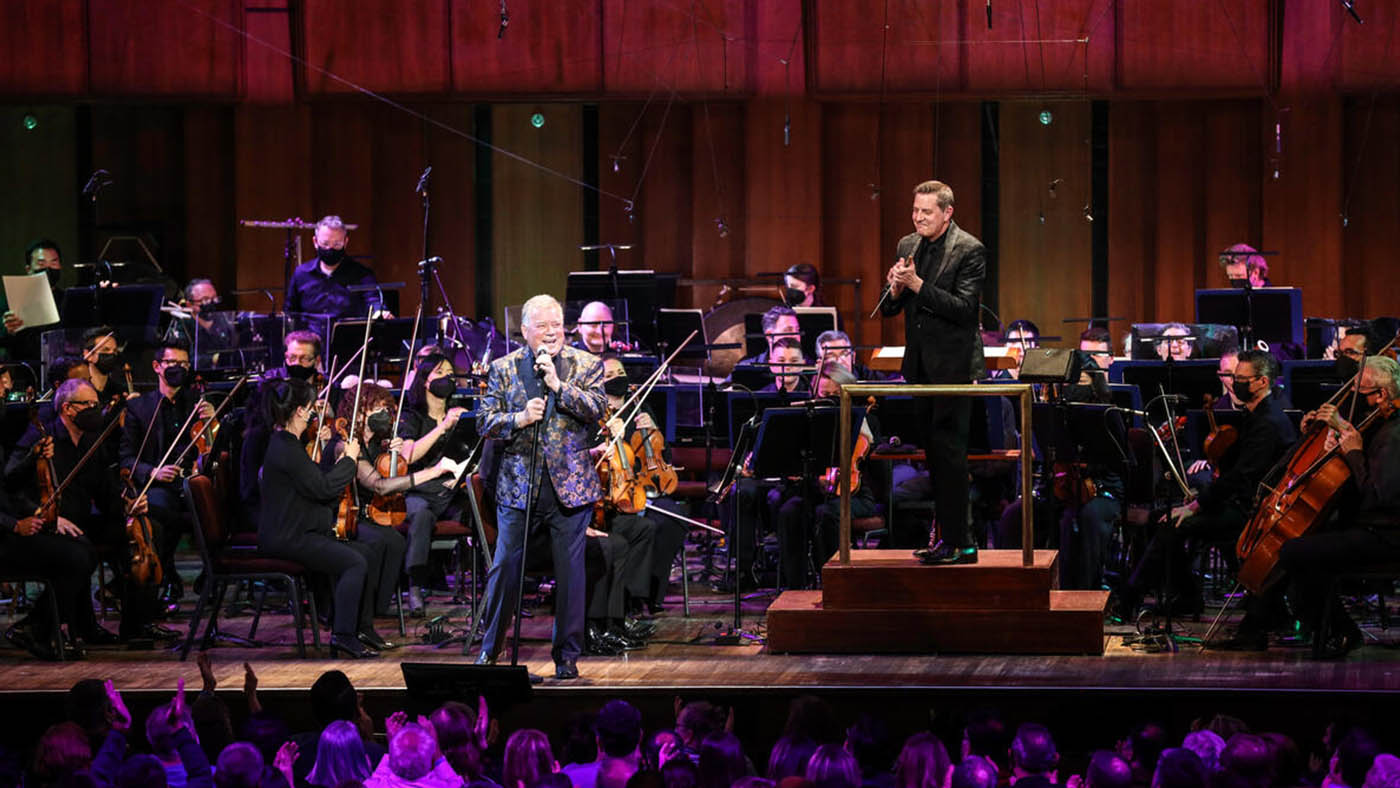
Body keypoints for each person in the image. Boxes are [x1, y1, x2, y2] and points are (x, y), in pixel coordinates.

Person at [475, 294, 607, 679]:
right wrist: (517, 419)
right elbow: (483, 421)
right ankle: (491, 652)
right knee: (504, 569)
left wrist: (558, 386)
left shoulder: (586, 365)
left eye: (557, 326)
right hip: (519, 488)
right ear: (525, 332)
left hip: (571, 489)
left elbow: (597, 409)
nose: (551, 333)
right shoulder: (504, 369)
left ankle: (566, 659)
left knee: (570, 576)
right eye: (543, 327)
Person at [1125, 350, 1297, 620]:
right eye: (1231, 376)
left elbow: (1240, 477)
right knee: (1156, 518)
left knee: (1171, 525)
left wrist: (1197, 505)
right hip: (1236, 502)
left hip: (1252, 512)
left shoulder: (1268, 422)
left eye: (1241, 378)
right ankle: (1185, 596)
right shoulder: (1256, 415)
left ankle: (1131, 599)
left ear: (1262, 382)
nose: (1233, 383)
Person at [1256, 355, 1400, 656]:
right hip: (1366, 526)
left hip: (1386, 535)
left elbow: (1378, 497)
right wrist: (1326, 439)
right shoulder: (1379, 424)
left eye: (1357, 394)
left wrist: (1354, 452)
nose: (1351, 401)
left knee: (1295, 552)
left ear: (1381, 395)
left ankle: (1343, 630)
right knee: (1301, 547)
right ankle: (1323, 627)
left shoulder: (1394, 435)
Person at [880, 180, 986, 566]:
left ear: (947, 213)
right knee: (933, 457)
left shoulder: (970, 249)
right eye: (915, 210)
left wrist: (917, 285)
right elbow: (892, 308)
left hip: (955, 368)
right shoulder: (908, 245)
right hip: (920, 366)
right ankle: (945, 540)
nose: (918, 218)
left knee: (951, 458)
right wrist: (895, 289)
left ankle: (963, 544)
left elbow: (962, 309)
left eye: (926, 212)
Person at [7, 378, 158, 644]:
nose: (95, 410)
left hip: (81, 521)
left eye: (96, 404)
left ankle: (135, 626)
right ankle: (40, 624)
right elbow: (11, 486)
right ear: (67, 409)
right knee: (81, 550)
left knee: (140, 533)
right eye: (88, 404)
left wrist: (127, 504)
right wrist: (43, 513)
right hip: (45, 523)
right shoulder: (42, 437)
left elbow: (105, 494)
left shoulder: (92, 442)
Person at [256, 377, 392, 658]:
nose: (316, 412)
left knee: (365, 552)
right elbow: (323, 488)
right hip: (288, 537)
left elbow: (317, 485)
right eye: (312, 407)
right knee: (353, 561)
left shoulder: (288, 443)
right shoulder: (286, 448)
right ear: (300, 412)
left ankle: (362, 628)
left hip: (300, 531)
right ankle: (342, 635)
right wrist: (350, 460)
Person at [119, 338, 214, 609]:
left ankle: (210, 578)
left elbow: (214, 448)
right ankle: (167, 574)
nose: (179, 368)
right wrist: (154, 471)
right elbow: (126, 457)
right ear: (157, 366)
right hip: (159, 484)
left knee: (217, 507)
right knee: (160, 509)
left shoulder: (197, 402)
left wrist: (210, 423)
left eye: (184, 363)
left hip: (193, 480)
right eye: (173, 363)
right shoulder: (139, 407)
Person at [396, 353, 471, 616]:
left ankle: (490, 584)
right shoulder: (412, 416)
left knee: (481, 511)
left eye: (450, 372)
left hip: (451, 491)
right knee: (421, 517)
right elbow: (408, 455)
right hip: (420, 490)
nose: (447, 378)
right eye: (440, 372)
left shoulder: (462, 412)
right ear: (425, 381)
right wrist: (443, 427)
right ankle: (415, 586)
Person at [286, 215, 386, 321]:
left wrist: (379, 312)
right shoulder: (301, 274)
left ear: (345, 242)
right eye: (325, 244)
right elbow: (290, 312)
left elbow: (373, 300)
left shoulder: (362, 274)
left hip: (347, 335)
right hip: (310, 336)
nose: (330, 249)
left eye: (337, 244)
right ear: (315, 242)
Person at [173, 278, 236, 357]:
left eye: (214, 298)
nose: (211, 303)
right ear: (189, 304)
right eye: (205, 300)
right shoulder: (183, 327)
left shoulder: (224, 322)